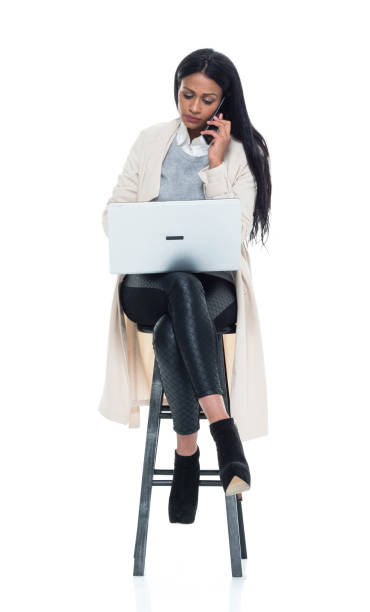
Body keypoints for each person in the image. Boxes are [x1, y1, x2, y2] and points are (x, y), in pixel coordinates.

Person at [103, 48, 271, 524]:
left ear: (225, 102)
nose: (193, 107)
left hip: (212, 289)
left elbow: (236, 234)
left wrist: (216, 165)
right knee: (176, 281)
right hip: (146, 285)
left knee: (172, 330)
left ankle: (187, 452)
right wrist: (140, 224)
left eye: (207, 99)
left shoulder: (241, 154)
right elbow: (111, 213)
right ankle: (224, 429)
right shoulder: (150, 140)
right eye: (187, 94)